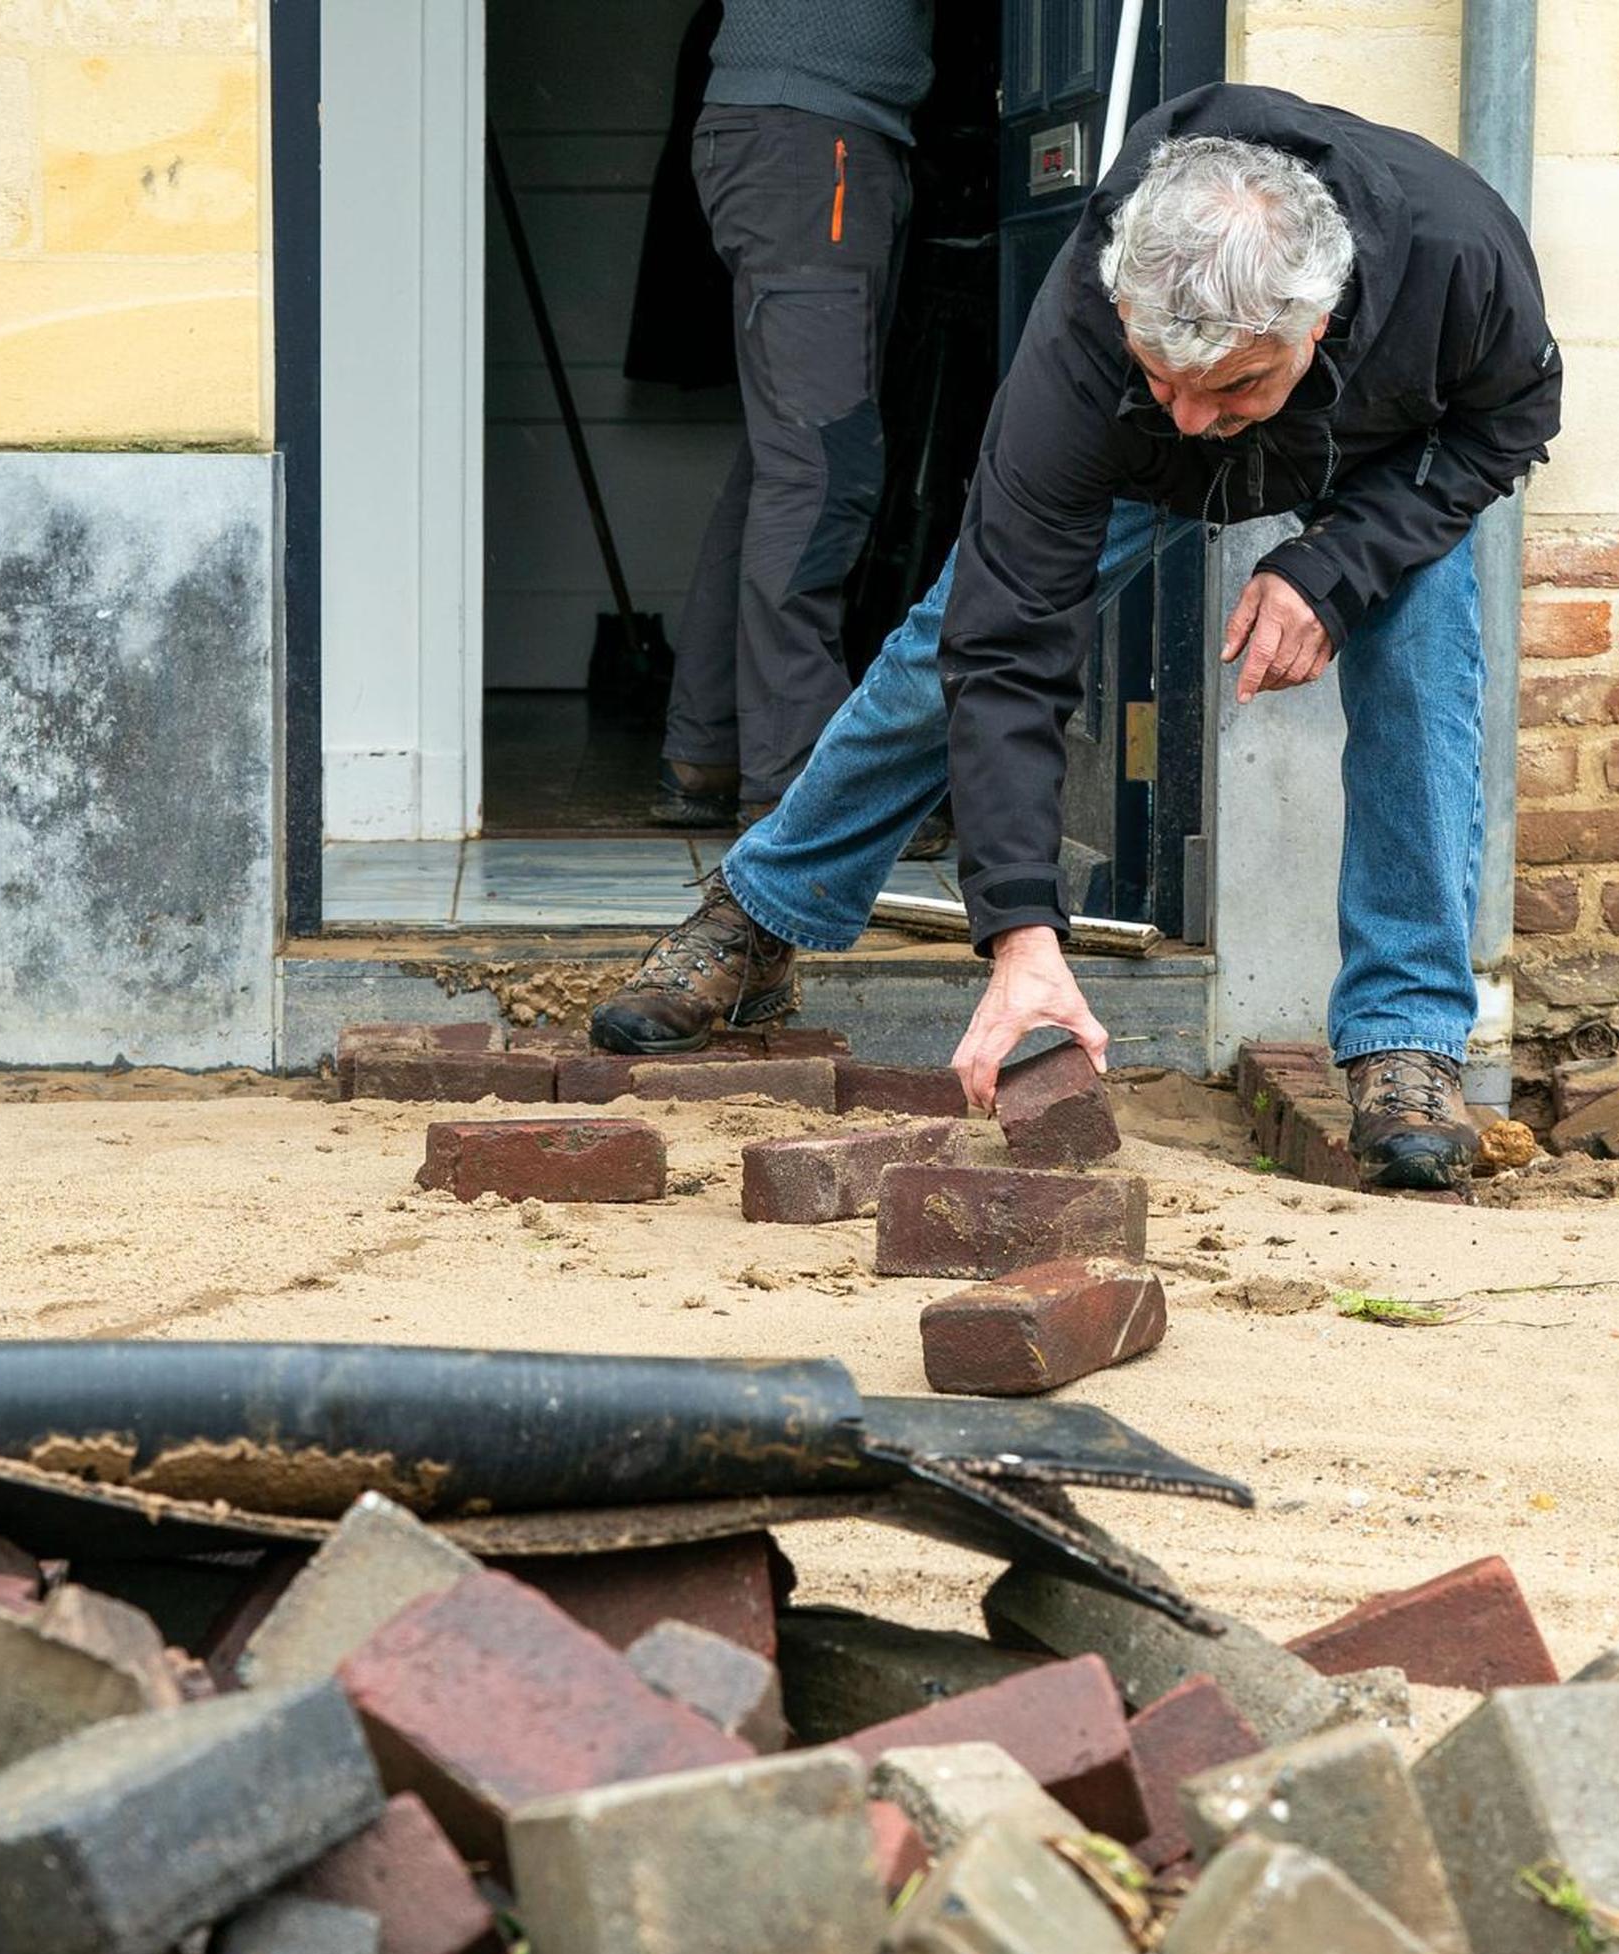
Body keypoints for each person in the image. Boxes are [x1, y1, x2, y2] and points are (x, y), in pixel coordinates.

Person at [589, 83, 1561, 1190]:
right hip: (1122, 452)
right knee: (941, 652)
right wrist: (1021, 933)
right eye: (1166, 379)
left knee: (1425, 676)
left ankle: (1406, 1041)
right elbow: (1006, 648)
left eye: (1232, 384)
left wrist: (1334, 566)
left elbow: (1512, 416)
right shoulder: (1087, 348)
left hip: (1377, 466)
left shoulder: (1457, 253)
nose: (1194, 415)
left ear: (1317, 320)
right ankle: (760, 917)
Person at [647, 0, 935, 832]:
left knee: (785, 460)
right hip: (812, 140)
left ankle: (711, 746)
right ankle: (806, 785)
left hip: (811, 134)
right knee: (820, 466)